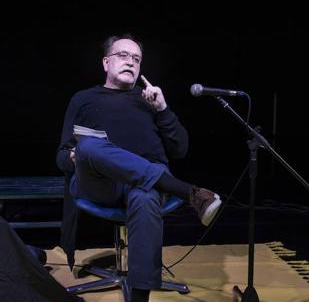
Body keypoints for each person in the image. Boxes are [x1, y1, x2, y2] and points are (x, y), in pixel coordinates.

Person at [56, 34, 222, 302]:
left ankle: (139, 298)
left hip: (146, 185)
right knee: (88, 146)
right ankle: (190, 192)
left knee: (145, 195)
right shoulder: (83, 99)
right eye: (123, 55)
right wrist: (75, 156)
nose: (130, 62)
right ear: (106, 62)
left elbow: (180, 149)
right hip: (101, 183)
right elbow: (61, 157)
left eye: (136, 58)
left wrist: (163, 109)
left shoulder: (150, 100)